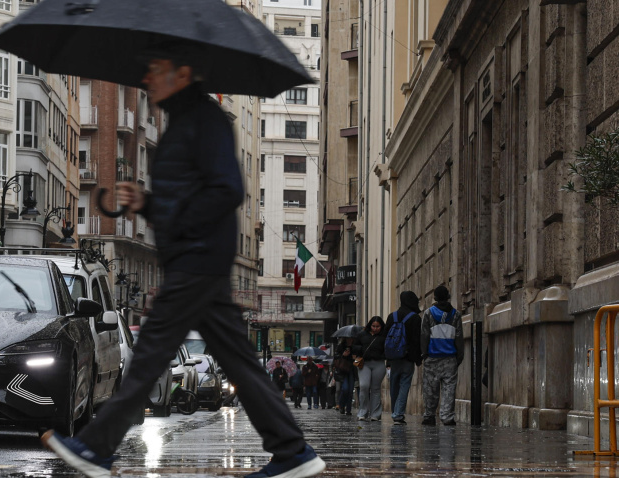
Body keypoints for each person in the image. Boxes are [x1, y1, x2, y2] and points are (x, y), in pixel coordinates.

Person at [41, 43, 325, 478]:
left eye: (157, 69)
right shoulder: (184, 121)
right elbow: (188, 194)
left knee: (152, 351)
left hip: (197, 257)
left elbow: (226, 190)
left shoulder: (205, 119)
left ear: (184, 72)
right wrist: (147, 202)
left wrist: (169, 212)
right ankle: (292, 451)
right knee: (236, 359)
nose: (148, 78)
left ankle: (97, 448)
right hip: (195, 258)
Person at [420, 285, 464, 426]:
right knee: (449, 389)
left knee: (430, 388)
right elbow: (459, 337)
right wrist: (459, 355)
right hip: (450, 357)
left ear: (435, 298)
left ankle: (429, 415)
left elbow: (424, 335)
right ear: (448, 297)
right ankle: (447, 416)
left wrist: (424, 353)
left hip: (432, 356)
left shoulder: (428, 313)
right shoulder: (456, 315)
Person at [384, 291, 423, 424]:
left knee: (394, 385)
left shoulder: (392, 316)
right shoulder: (415, 318)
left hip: (394, 358)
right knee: (405, 385)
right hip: (408, 357)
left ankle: (396, 410)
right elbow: (417, 340)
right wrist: (418, 358)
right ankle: (398, 413)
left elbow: (386, 338)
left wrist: (387, 359)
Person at [352, 316, 386, 421]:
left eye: (378, 326)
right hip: (364, 363)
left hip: (379, 363)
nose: (375, 328)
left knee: (375, 388)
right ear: (369, 325)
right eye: (373, 326)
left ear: (381, 326)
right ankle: (363, 411)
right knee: (364, 386)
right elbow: (355, 347)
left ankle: (375, 414)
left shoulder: (384, 335)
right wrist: (357, 355)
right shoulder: (362, 335)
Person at [335, 337, 356, 415]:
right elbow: (336, 358)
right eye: (348, 339)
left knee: (350, 390)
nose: (350, 340)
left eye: (351, 339)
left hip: (352, 370)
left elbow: (359, 358)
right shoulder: (341, 346)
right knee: (345, 389)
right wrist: (343, 355)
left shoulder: (355, 346)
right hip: (343, 370)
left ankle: (348, 409)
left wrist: (355, 358)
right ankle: (341, 405)